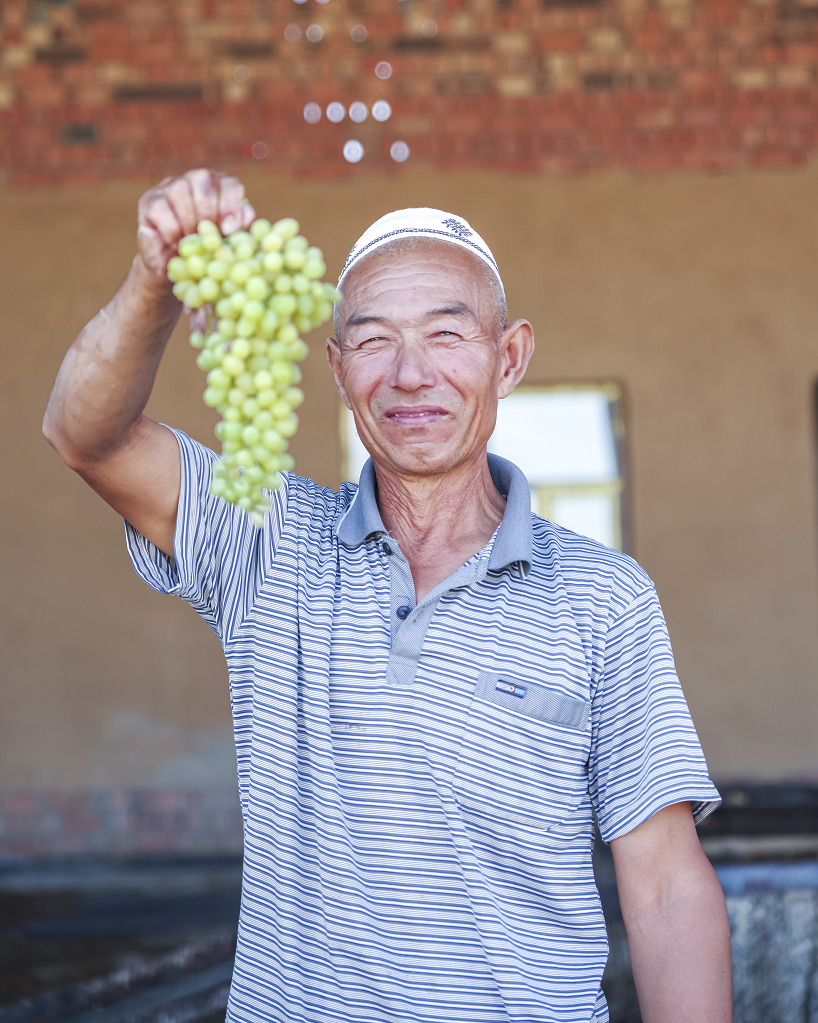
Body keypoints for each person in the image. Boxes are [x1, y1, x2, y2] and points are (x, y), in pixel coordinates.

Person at [44, 168, 732, 1023]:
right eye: (373, 341)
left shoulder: (604, 597)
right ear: (336, 368)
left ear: (508, 356)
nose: (411, 375)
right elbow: (87, 433)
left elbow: (666, 885)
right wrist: (157, 277)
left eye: (448, 334)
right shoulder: (268, 542)